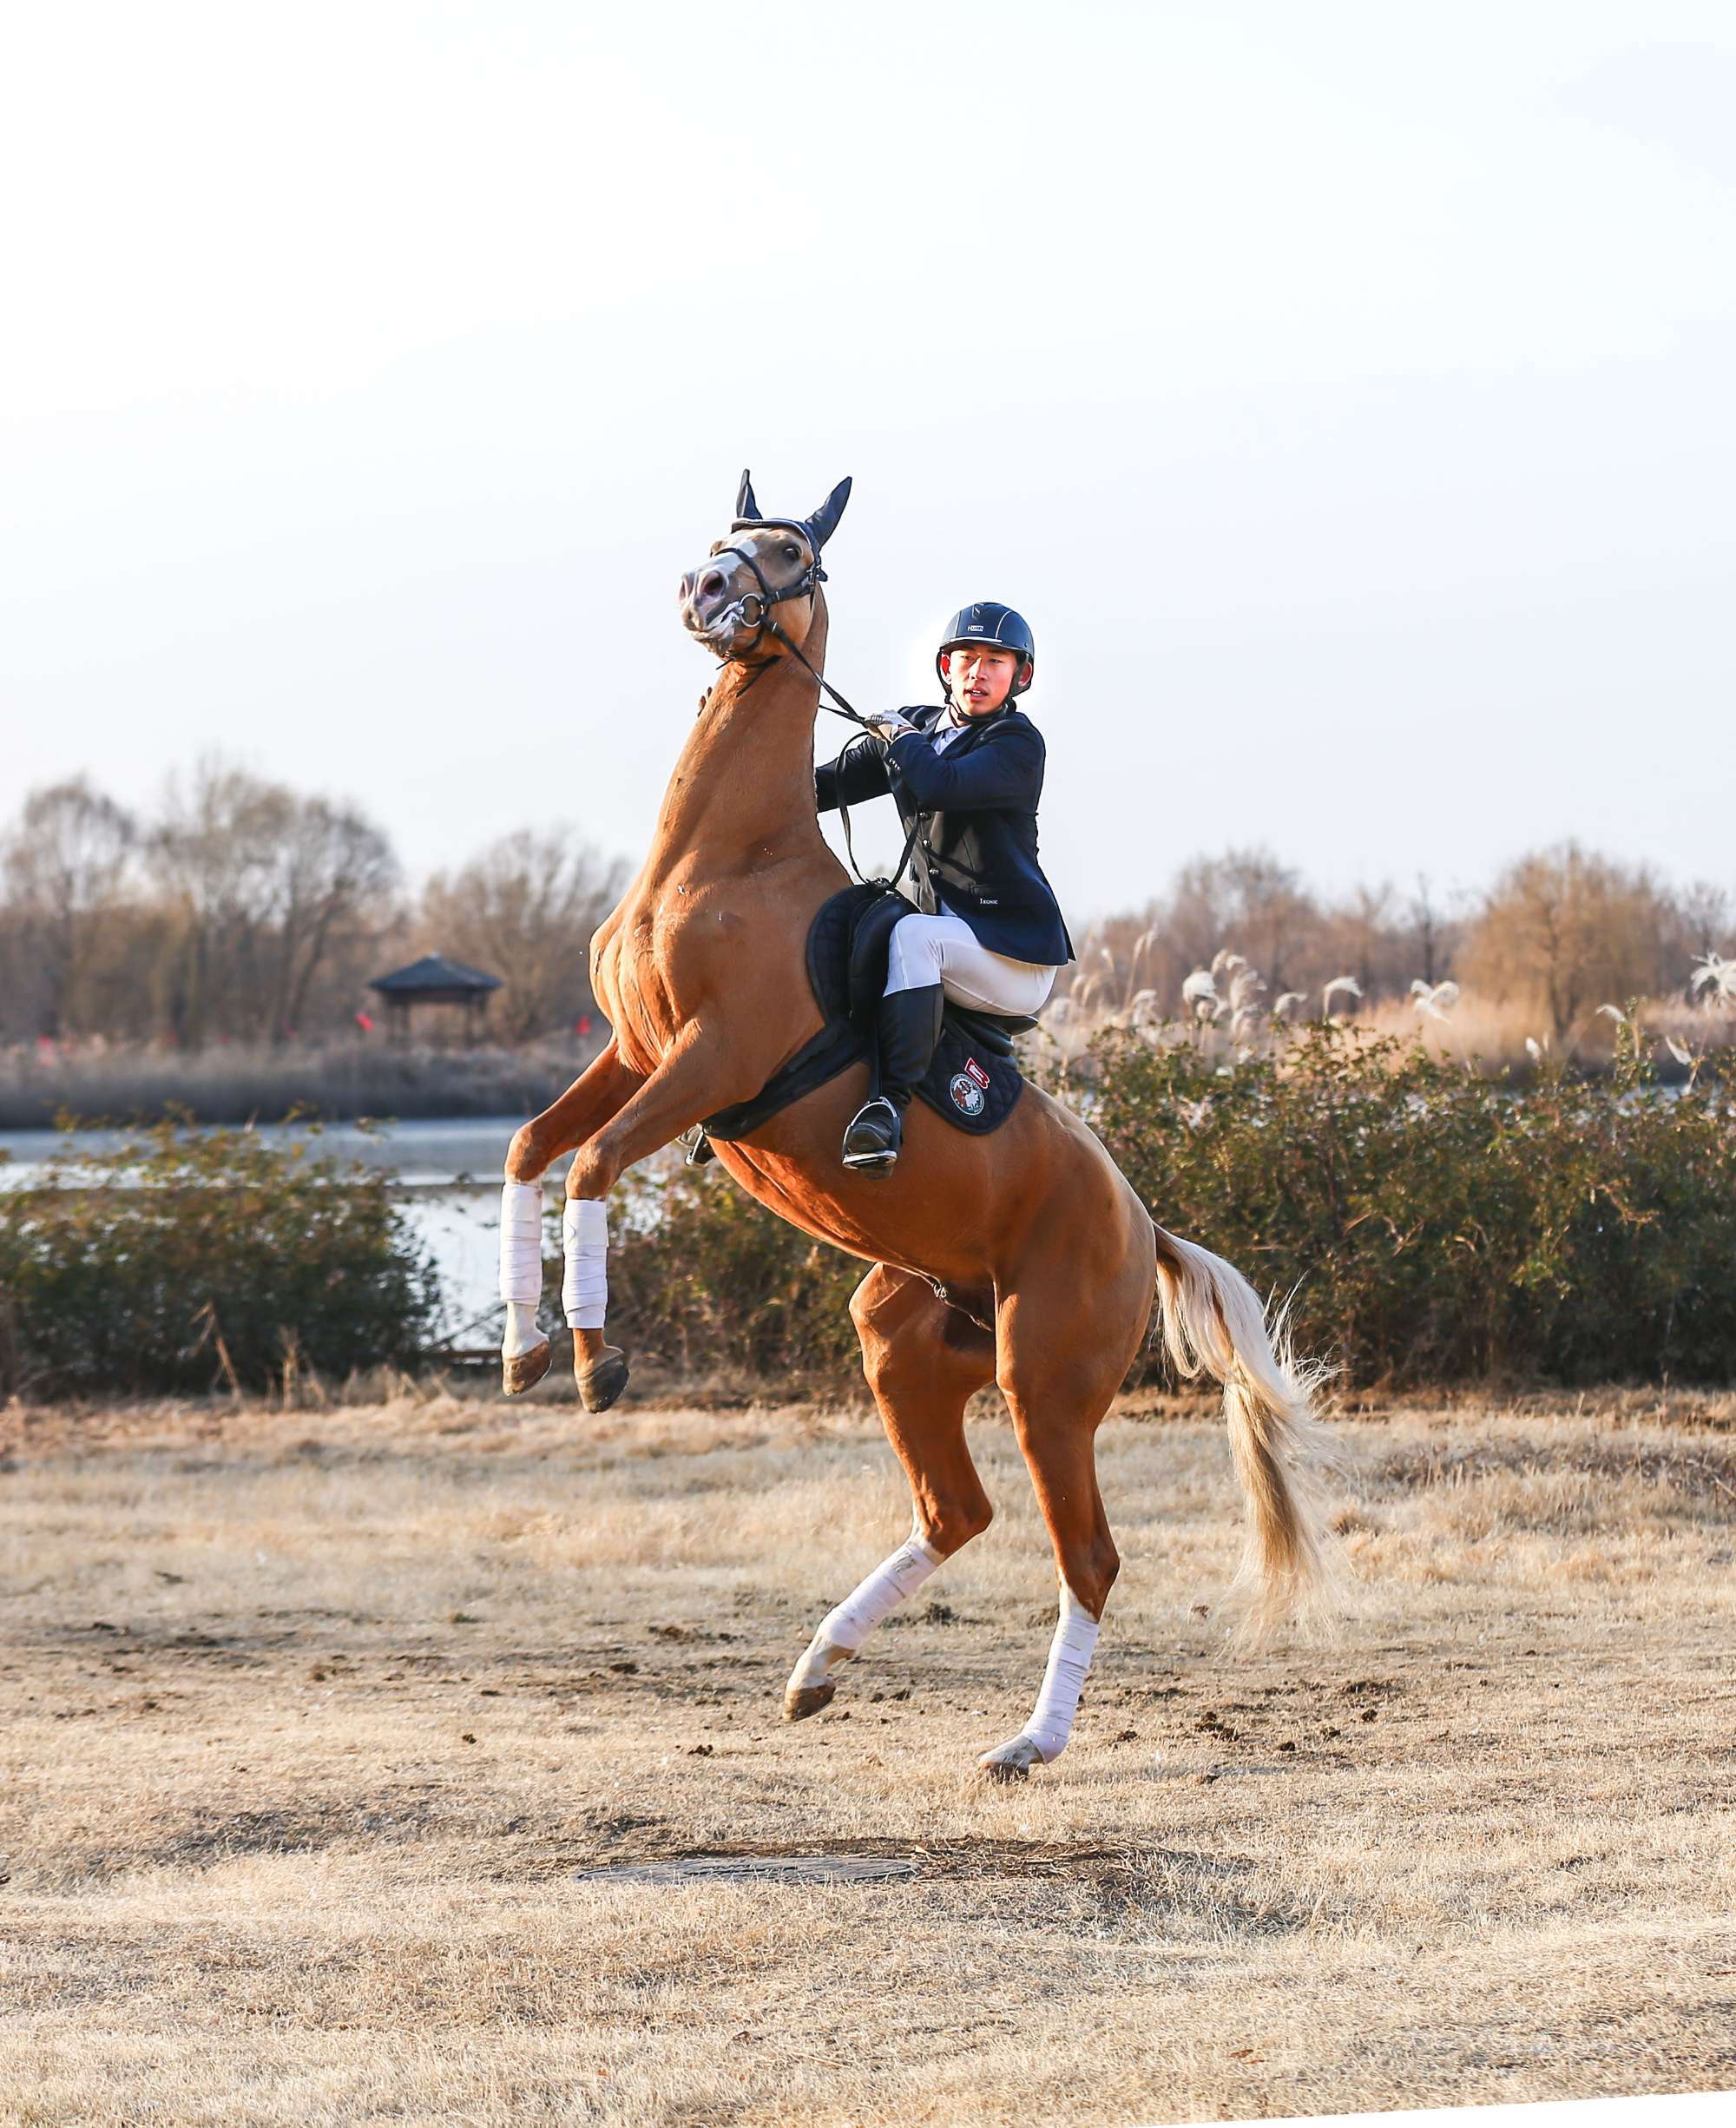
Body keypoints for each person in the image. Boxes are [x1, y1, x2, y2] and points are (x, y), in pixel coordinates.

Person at [814, 601, 1075, 1172]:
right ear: (945, 667)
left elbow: (938, 785)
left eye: (994, 662)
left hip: (1014, 959)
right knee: (850, 924)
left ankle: (887, 1108)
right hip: (950, 939)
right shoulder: (918, 728)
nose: (978, 672)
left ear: (1019, 676)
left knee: (911, 937)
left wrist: (899, 738)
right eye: (967, 659)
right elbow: (820, 788)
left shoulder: (1017, 744)